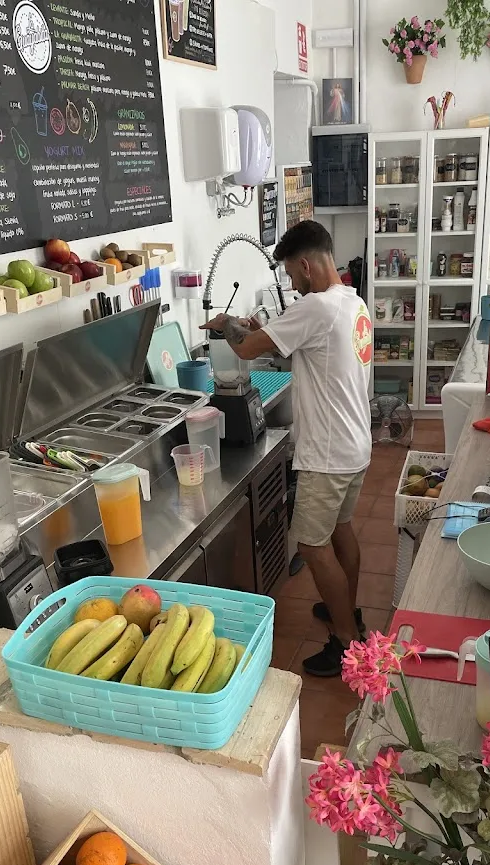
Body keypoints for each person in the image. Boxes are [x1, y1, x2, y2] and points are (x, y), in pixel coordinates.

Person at [200, 220, 372, 677]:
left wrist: (226, 325)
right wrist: (263, 330)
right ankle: (347, 612)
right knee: (342, 530)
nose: (292, 285)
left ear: (305, 265)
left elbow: (242, 351)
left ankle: (345, 642)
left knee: (314, 547)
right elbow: (305, 350)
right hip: (355, 443)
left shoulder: (315, 307)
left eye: (292, 277)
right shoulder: (351, 301)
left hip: (327, 452)